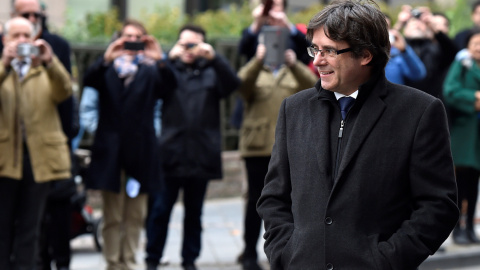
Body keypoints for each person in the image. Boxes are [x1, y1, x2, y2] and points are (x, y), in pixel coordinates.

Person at [256, 1, 459, 269]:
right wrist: (285, 252)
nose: (317, 60)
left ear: (365, 55)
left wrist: (385, 260)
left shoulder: (420, 111)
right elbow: (274, 197)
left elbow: (438, 206)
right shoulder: (294, 108)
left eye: (329, 50)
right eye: (315, 49)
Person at [145, 24, 240, 270]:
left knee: (194, 213)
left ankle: (190, 260)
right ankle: (152, 259)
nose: (188, 49)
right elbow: (154, 87)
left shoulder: (211, 71)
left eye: (194, 44)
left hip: (201, 153)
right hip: (171, 153)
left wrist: (215, 57)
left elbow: (233, 84)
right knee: (160, 210)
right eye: (184, 43)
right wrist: (166, 59)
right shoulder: (169, 70)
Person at [82, 19, 174, 270]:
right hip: (110, 154)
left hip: (141, 153)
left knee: (135, 216)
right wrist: (106, 58)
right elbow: (88, 80)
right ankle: (112, 263)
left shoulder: (152, 70)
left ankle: (130, 262)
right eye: (127, 37)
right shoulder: (108, 69)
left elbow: (171, 89)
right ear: (118, 39)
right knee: (112, 216)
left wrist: (160, 59)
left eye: (138, 37)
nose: (132, 42)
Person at [236, 42, 317, 270]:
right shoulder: (256, 70)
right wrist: (257, 60)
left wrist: (295, 64)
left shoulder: (292, 71)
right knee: (254, 201)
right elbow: (240, 86)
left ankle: (289, 249)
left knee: (290, 202)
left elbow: (316, 87)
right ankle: (249, 253)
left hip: (291, 147)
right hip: (257, 148)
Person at [0, 16, 72, 269]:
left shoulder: (44, 70)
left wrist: (50, 61)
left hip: (38, 159)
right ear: (4, 39)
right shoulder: (2, 68)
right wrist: (5, 65)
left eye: (26, 36)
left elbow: (65, 91)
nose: (22, 41)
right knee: (2, 226)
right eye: (16, 36)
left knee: (32, 227)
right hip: (4, 160)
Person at [231, 0, 312, 130]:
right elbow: (242, 50)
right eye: (268, 5)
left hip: (289, 91)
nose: (271, 9)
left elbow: (309, 49)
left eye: (275, 5)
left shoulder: (292, 33)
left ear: (284, 9)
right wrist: (258, 22)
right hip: (258, 95)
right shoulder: (255, 32)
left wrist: (286, 24)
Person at [443, 28, 480, 245]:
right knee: (459, 183)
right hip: (464, 133)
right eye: (475, 43)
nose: (478, 47)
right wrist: (474, 97)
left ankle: (470, 229)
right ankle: (457, 228)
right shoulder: (462, 65)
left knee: (474, 183)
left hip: (478, 136)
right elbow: (450, 91)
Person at [395, 6, 457, 99]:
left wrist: (432, 25)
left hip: (432, 100)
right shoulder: (398, 47)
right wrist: (399, 24)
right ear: (405, 29)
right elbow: (382, 46)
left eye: (421, 22)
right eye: (411, 22)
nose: (416, 25)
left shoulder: (435, 47)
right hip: (403, 100)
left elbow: (452, 51)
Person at [384, 14, 426, 85]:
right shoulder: (362, 55)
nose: (382, 32)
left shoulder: (396, 54)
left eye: (386, 27)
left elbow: (418, 74)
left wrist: (404, 50)